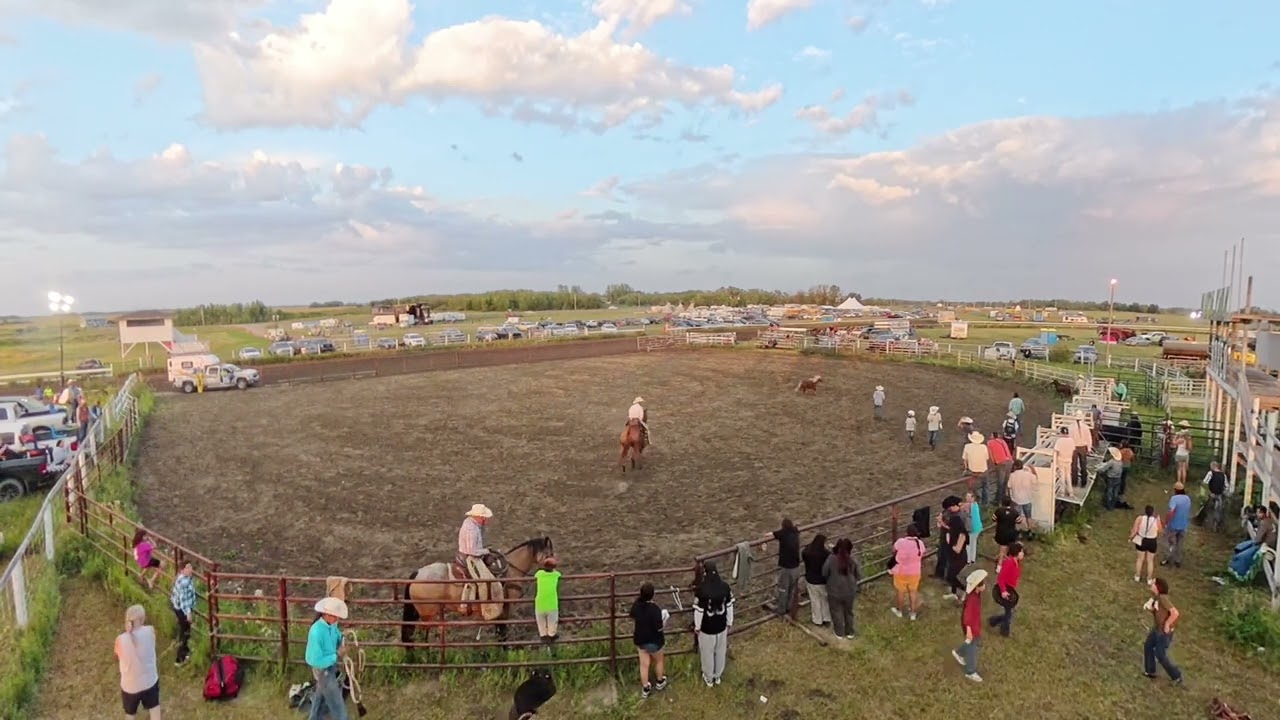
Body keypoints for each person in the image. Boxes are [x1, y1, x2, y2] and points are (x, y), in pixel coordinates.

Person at [306, 596, 349, 720]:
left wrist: (342, 638)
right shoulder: (316, 632)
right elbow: (316, 660)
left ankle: (314, 718)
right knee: (336, 703)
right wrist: (337, 655)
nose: (337, 618)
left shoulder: (331, 625)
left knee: (320, 697)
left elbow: (336, 635)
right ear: (327, 614)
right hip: (322, 669)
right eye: (335, 616)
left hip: (329, 665)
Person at [692, 561, 734, 687]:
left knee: (707, 653)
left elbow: (699, 611)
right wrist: (729, 621)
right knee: (720, 651)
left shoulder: (702, 591)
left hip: (707, 628)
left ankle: (708, 677)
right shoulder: (725, 587)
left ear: (705, 573)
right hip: (721, 626)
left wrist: (697, 626)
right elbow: (729, 605)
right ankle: (718, 675)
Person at [116, 604, 161, 719]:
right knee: (154, 708)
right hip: (150, 682)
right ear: (142, 619)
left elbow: (118, 655)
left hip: (129, 686)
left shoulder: (120, 640)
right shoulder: (150, 631)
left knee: (130, 714)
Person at [629, 582, 669, 698]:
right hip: (654, 641)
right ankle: (660, 681)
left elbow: (632, 615)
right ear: (653, 595)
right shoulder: (655, 609)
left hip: (641, 640)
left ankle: (645, 687)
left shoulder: (637, 605)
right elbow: (659, 627)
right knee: (659, 660)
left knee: (644, 664)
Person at [1143, 578, 1183, 684]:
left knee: (1160, 654)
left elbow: (1175, 613)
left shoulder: (1163, 598)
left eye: (1154, 583)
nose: (1151, 584)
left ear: (1158, 587)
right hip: (1156, 629)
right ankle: (1150, 671)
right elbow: (1159, 612)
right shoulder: (1156, 598)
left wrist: (1167, 624)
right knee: (1148, 646)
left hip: (1164, 633)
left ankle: (1176, 675)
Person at [822, 538, 861, 639]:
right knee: (848, 611)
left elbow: (824, 573)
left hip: (834, 591)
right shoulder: (852, 559)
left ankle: (839, 632)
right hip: (849, 591)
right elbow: (858, 574)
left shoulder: (831, 559)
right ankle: (850, 632)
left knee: (836, 611)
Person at [953, 569, 987, 682]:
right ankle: (970, 672)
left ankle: (959, 653)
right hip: (970, 626)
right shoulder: (972, 599)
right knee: (972, 648)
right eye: (983, 584)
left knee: (971, 642)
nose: (985, 585)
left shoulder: (976, 594)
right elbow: (967, 616)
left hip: (974, 624)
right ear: (977, 587)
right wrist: (968, 630)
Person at [890, 524, 925, 620]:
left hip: (901, 571)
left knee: (901, 591)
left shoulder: (901, 542)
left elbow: (893, 550)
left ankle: (900, 611)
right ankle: (913, 613)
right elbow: (922, 554)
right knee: (913, 592)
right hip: (915, 572)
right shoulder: (920, 543)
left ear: (907, 533)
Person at [987, 542, 1023, 637]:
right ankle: (1004, 631)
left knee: (1009, 611)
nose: (1022, 553)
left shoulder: (1016, 562)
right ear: (1016, 552)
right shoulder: (1009, 563)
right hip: (1003, 590)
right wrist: (1003, 591)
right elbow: (1000, 578)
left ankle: (993, 621)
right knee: (1009, 612)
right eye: (1021, 551)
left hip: (1010, 589)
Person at [771, 518, 802, 616]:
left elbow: (773, 534)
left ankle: (781, 610)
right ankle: (789, 607)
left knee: (783, 589)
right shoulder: (795, 532)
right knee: (792, 588)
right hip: (796, 567)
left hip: (786, 567)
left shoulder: (783, 534)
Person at [942, 496, 969, 600]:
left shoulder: (960, 528)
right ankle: (954, 593)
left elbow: (960, 541)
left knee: (951, 576)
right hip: (953, 554)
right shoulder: (954, 524)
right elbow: (951, 532)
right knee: (951, 573)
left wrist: (955, 547)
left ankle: (966, 590)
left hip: (959, 556)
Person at [170, 562, 197, 666]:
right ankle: (180, 658)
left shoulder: (181, 578)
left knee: (184, 630)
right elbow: (183, 599)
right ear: (182, 570)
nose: (191, 569)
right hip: (183, 610)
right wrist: (188, 613)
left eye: (191, 567)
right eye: (188, 567)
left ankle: (185, 651)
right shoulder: (184, 582)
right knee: (185, 632)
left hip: (178, 607)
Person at [800, 534, 831, 626]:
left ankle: (817, 620)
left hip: (811, 579)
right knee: (824, 599)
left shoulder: (807, 552)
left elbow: (803, 554)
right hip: (822, 580)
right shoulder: (825, 554)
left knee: (815, 600)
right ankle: (826, 618)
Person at [1162, 483, 1191, 569]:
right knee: (1180, 543)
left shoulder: (1174, 499)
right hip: (1184, 524)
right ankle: (1177, 560)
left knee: (1170, 542)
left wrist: (1166, 522)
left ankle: (1167, 558)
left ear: (1176, 490)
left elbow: (1171, 511)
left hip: (1174, 524)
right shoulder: (1187, 499)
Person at [1131, 505, 1162, 585]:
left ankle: (1137, 576)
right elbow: (1160, 530)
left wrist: (1131, 537)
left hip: (1141, 540)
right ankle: (1149, 579)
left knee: (1140, 559)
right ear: (1152, 512)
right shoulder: (1156, 520)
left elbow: (1134, 530)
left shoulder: (1140, 518)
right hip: (1152, 541)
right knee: (1150, 561)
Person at [534, 557, 561, 645]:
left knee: (542, 628)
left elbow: (537, 573)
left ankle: (544, 640)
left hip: (539, 605)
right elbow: (558, 574)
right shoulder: (556, 575)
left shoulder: (539, 574)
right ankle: (551, 641)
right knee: (552, 627)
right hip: (552, 605)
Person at [962, 432, 991, 505]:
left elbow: (964, 460)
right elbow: (987, 458)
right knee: (986, 486)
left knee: (968, 480)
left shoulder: (967, 446)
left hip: (972, 471)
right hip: (983, 470)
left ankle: (974, 497)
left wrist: (966, 468)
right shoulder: (984, 447)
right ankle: (985, 503)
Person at [992, 498, 1019, 569]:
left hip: (1001, 534)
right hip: (1011, 534)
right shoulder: (1015, 512)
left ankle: (999, 566)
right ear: (1010, 503)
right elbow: (1019, 521)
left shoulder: (999, 511)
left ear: (1002, 503)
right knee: (1010, 550)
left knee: (1002, 551)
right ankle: (1010, 565)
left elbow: (993, 519)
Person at [1007, 460, 1035, 527]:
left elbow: (1008, 486)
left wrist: (1010, 498)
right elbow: (1035, 480)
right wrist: (1032, 469)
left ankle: (1018, 532)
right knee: (1029, 517)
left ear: (1015, 466)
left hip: (1016, 500)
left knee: (1017, 519)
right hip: (1027, 499)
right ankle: (1030, 530)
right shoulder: (1028, 474)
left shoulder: (1012, 475)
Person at [987, 432, 1013, 503]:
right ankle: (1004, 498)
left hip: (1001, 463)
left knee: (1000, 483)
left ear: (992, 436)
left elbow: (991, 455)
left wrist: (994, 464)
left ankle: (998, 500)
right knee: (1005, 482)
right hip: (1009, 462)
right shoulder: (1002, 441)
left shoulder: (990, 443)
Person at [1069, 412, 1093, 489]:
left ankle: (1074, 482)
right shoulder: (1086, 427)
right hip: (1083, 447)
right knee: (1083, 465)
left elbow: (1069, 438)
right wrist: (1089, 448)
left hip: (1074, 447)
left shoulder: (1071, 427)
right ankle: (1083, 482)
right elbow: (1089, 438)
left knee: (1074, 465)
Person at [1202, 461, 1227, 533]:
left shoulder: (1211, 473)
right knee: (1218, 510)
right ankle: (1216, 525)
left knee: (1208, 508)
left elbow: (1204, 483)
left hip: (1211, 494)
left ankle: (1208, 524)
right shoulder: (1223, 475)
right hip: (1219, 495)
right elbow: (1226, 486)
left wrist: (1209, 492)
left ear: (1212, 466)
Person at [1052, 426, 1076, 498]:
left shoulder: (1059, 440)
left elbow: (1056, 451)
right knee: (1068, 475)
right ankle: (1070, 492)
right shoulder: (1071, 440)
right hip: (1068, 460)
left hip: (1061, 459)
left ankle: (1062, 492)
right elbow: (1073, 450)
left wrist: (1055, 461)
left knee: (1062, 476)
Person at [964, 491, 983, 565]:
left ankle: (968, 560)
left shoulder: (968, 505)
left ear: (973, 498)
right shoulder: (975, 504)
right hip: (978, 527)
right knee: (973, 543)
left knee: (968, 544)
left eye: (968, 497)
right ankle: (973, 559)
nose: (966, 498)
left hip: (972, 528)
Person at [1172, 420, 1192, 485]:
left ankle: (1178, 481)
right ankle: (1184, 482)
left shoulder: (1179, 437)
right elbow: (1190, 448)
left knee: (1179, 469)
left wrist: (1175, 437)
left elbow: (1174, 443)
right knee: (1184, 469)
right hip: (1185, 454)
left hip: (1179, 453)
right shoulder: (1188, 438)